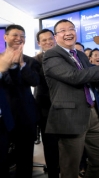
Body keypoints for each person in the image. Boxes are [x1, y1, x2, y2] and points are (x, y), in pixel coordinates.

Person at [43, 19, 99, 178]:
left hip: (92, 113)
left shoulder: (79, 54)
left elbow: (88, 74)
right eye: (63, 30)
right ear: (56, 37)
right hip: (70, 117)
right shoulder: (51, 55)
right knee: (71, 166)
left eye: (71, 29)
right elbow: (74, 77)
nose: (68, 32)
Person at [2, 24, 40, 177]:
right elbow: (6, 83)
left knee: (25, 155)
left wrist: (22, 65)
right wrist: (8, 65)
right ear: (5, 37)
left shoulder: (30, 61)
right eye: (15, 35)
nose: (19, 38)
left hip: (26, 113)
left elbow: (35, 81)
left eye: (22, 36)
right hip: (4, 115)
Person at [34, 29, 59, 178]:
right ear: (39, 43)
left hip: (66, 108)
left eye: (50, 39)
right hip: (45, 109)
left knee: (66, 145)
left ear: (55, 39)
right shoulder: (35, 61)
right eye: (44, 40)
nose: (48, 42)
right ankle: (53, 174)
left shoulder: (64, 57)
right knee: (50, 145)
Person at [0, 45, 23, 178]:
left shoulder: (2, 60)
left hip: (3, 121)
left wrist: (14, 65)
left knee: (3, 161)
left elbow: (14, 83)